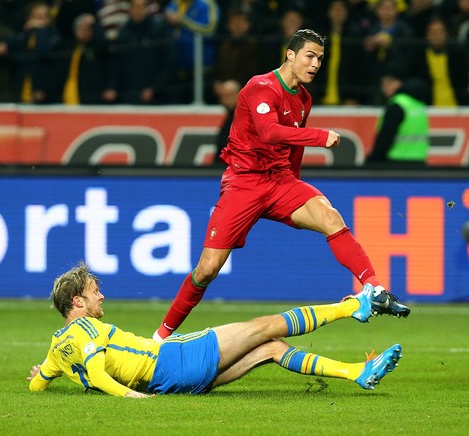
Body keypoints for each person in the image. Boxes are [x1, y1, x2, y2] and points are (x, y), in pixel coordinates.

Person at [154, 29, 410, 341]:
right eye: (310, 56)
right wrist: (320, 136)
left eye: (320, 59)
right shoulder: (260, 87)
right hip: (244, 183)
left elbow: (293, 149)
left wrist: (295, 185)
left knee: (330, 217)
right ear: (290, 54)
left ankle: (374, 288)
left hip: (280, 181)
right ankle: (160, 338)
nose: (315, 64)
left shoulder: (303, 99)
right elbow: (269, 132)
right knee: (207, 269)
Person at [27, 262, 403, 396]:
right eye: (95, 293)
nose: (101, 297)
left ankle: (357, 372)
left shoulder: (59, 345)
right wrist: (131, 399)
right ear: (77, 302)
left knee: (271, 347)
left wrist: (43, 376)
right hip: (172, 360)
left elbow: (37, 382)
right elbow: (96, 371)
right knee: (264, 326)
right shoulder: (88, 331)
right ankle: (357, 305)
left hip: (172, 383)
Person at [367, 70, 430, 166]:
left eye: (389, 82)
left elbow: (385, 137)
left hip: (396, 162)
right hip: (419, 161)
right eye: (383, 83)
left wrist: (373, 160)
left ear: (399, 83)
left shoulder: (397, 105)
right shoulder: (418, 103)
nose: (385, 87)